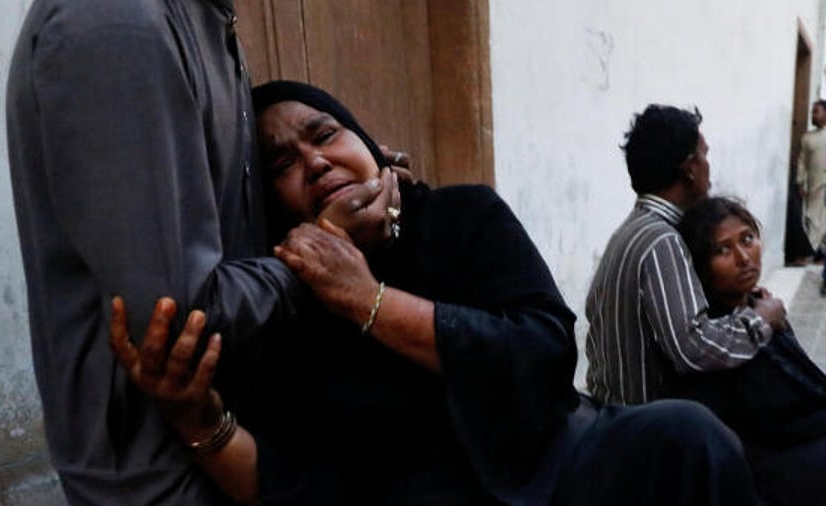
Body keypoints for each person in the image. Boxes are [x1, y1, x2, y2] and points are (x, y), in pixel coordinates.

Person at [111, 81, 762, 505]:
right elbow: (298, 488)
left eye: (324, 135)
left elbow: (542, 354)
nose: (313, 162)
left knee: (688, 436)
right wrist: (199, 423)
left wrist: (366, 299)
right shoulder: (278, 302)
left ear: (368, 144)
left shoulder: (460, 216)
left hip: (561, 459)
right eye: (281, 164)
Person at [5, 1, 397, 503]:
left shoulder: (200, 17)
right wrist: (325, 252)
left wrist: (356, 184)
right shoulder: (118, 24)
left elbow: (219, 224)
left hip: (240, 458)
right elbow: (177, 319)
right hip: (166, 477)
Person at [584, 104, 787, 406]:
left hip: (614, 415)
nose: (709, 167)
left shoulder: (632, 229)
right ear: (691, 169)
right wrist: (760, 320)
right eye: (705, 155)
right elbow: (693, 346)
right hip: (643, 430)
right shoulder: (661, 240)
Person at [674, 196, 826, 506]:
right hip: (772, 468)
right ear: (702, 265)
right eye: (723, 250)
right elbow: (781, 420)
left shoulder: (759, 307)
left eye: (747, 239)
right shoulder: (721, 337)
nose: (744, 257)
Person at [797, 99, 826, 292]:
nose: (812, 115)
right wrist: (801, 182)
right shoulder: (808, 138)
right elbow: (802, 163)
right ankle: (816, 253)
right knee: (813, 220)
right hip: (814, 188)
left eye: (816, 111)